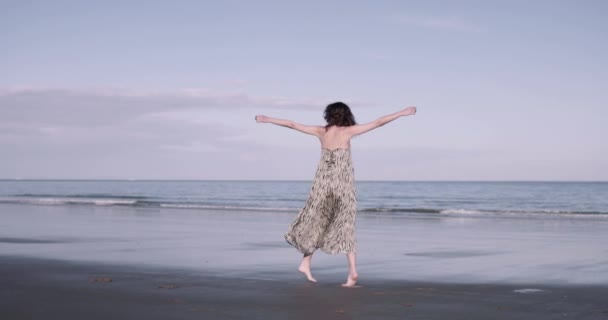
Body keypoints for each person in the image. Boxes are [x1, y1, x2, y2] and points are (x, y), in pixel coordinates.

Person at [255, 102, 417, 287]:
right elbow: (379, 122)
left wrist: (267, 119)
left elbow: (292, 124)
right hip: (343, 185)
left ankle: (306, 262)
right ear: (346, 115)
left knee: (319, 220)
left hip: (323, 185)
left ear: (328, 115)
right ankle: (352, 271)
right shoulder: (348, 131)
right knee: (346, 224)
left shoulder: (321, 131)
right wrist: (403, 112)